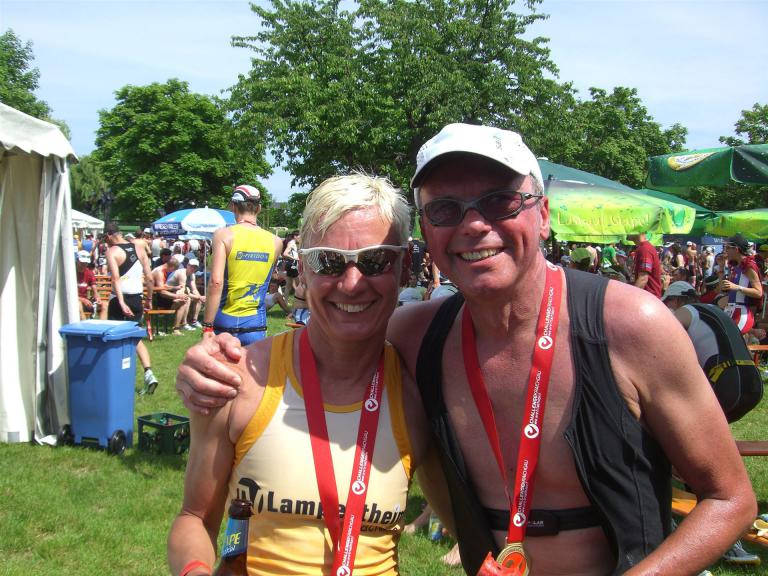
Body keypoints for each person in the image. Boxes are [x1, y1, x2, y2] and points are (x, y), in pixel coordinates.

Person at [177, 123, 755, 575]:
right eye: (446, 209)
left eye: (500, 201)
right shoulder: (415, 336)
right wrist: (212, 361)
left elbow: (731, 499)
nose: (474, 225)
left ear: (543, 214)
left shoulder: (631, 326)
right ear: (427, 236)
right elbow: (330, 341)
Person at [167, 173, 431, 576]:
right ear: (303, 269)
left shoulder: (422, 394)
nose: (352, 283)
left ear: (404, 266)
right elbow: (194, 518)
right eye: (329, 261)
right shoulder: (238, 380)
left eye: (375, 260)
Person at [662, 281, 761, 567]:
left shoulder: (685, 314)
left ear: (677, 301)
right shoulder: (712, 312)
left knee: (682, 451)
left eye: (668, 303)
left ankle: (709, 532)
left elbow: (664, 354)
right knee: (702, 452)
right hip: (751, 384)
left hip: (726, 383)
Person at [202, 185, 283, 345]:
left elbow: (216, 282)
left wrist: (207, 326)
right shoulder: (276, 241)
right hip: (255, 324)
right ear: (258, 208)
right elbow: (268, 278)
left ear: (233, 206)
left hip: (224, 320)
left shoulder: (223, 235)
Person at [104, 222, 159, 395]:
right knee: (135, 338)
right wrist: (149, 299)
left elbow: (115, 279)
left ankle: (116, 377)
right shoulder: (139, 248)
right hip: (137, 299)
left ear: (109, 236)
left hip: (119, 299)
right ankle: (148, 372)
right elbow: (149, 277)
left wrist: (121, 302)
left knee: (114, 338)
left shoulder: (112, 251)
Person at [720, 233, 764, 336]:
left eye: (727, 248)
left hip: (742, 313)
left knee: (730, 341)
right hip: (732, 310)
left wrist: (736, 287)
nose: (725, 250)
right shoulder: (737, 265)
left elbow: (759, 292)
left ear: (736, 249)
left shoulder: (748, 266)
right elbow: (722, 289)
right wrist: (721, 267)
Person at [153, 255, 192, 335]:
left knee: (183, 300)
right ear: (172, 267)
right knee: (182, 302)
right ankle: (176, 329)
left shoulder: (160, 270)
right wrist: (178, 296)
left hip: (156, 296)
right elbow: (162, 292)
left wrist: (175, 287)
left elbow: (162, 286)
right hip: (155, 299)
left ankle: (176, 326)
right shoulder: (160, 272)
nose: (172, 271)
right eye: (174, 270)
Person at [629, 231, 663, 297]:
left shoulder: (644, 249)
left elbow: (643, 279)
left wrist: (630, 297)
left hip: (649, 298)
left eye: (630, 228)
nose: (626, 231)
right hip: (648, 296)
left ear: (638, 231)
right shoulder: (643, 248)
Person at [75, 250, 105, 320]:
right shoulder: (71, 272)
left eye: (86, 263)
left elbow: (95, 291)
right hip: (74, 301)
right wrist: (82, 299)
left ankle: (102, 325)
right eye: (82, 262)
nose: (84, 265)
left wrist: (97, 298)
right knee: (78, 304)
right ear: (77, 260)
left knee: (104, 305)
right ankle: (83, 325)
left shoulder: (89, 273)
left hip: (86, 301)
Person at [184, 258, 206, 328]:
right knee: (188, 299)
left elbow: (194, 289)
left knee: (198, 300)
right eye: (191, 266)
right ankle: (184, 322)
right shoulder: (182, 273)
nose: (193, 268)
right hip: (174, 294)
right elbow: (184, 291)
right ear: (187, 265)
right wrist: (199, 297)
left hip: (184, 293)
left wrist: (200, 297)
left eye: (195, 267)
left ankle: (194, 321)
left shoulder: (192, 275)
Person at [281, 230, 300, 296]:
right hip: (292, 265)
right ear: (295, 236)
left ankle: (285, 301)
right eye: (300, 237)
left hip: (290, 264)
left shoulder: (293, 243)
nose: (300, 238)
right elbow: (285, 254)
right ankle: (300, 299)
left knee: (288, 285)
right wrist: (294, 258)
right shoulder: (291, 243)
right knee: (299, 284)